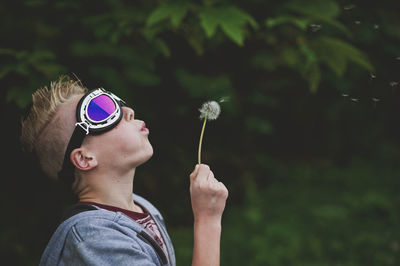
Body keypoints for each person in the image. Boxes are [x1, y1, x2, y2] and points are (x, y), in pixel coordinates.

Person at [20, 76, 229, 266]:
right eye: (101, 111)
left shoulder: (143, 208)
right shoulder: (93, 237)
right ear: (84, 158)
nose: (128, 112)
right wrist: (208, 220)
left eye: (115, 101)